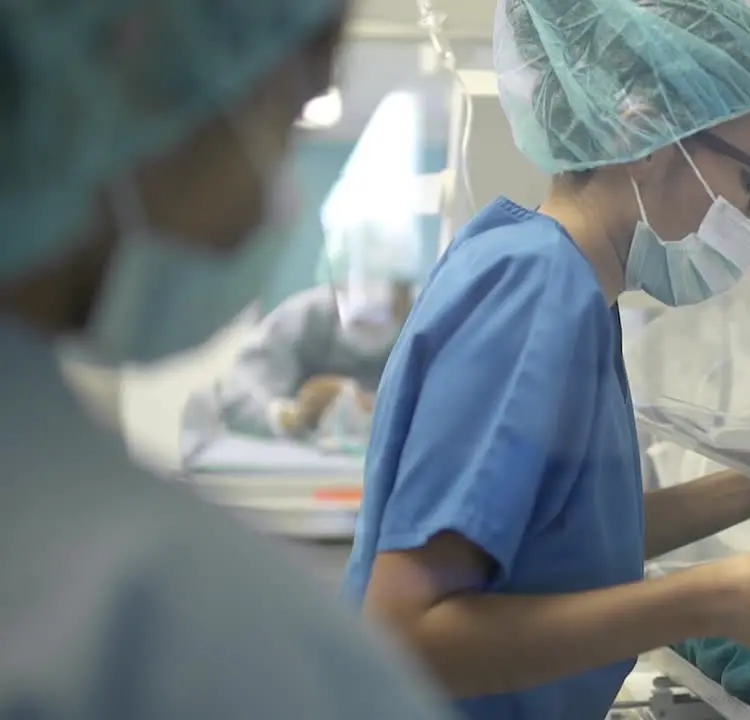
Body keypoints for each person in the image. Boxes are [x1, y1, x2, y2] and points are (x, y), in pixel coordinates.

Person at [344, 0, 750, 718]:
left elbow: (563, 543)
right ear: (646, 133)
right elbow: (402, 635)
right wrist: (714, 598)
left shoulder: (572, 289)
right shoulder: (533, 289)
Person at [0, 1, 457, 718]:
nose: (267, 207)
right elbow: (247, 392)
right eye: (288, 118)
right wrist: (301, 409)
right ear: (130, 79)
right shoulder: (188, 637)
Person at [216, 227, 418, 441]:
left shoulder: (426, 327)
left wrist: (375, 412)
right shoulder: (305, 319)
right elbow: (240, 391)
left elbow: (447, 410)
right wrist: (290, 417)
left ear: (406, 289)